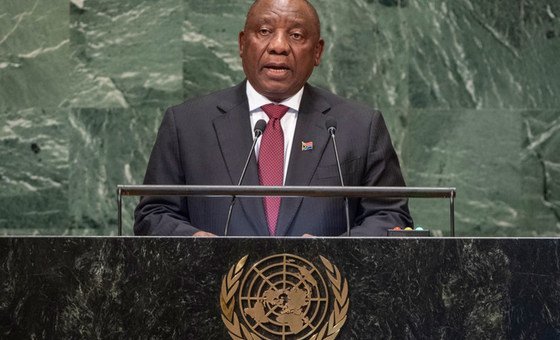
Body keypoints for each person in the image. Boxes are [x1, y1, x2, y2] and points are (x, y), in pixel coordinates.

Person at [134, 0, 413, 236]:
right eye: (265, 31)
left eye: (296, 36)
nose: (278, 46)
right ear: (243, 44)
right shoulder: (187, 124)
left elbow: (390, 217)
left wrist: (334, 251)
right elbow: (154, 213)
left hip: (326, 294)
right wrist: (195, 241)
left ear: (317, 52)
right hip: (213, 290)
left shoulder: (359, 127)